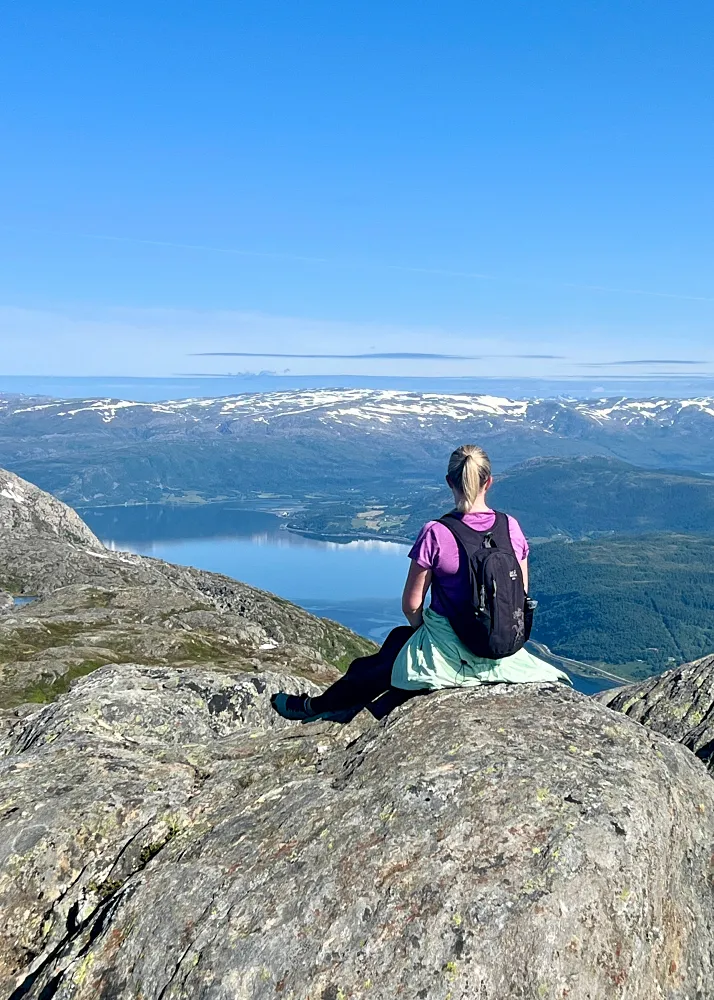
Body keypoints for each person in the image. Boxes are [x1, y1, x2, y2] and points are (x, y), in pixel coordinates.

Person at [271, 444, 569, 723]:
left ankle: (319, 707)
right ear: (489, 482)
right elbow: (522, 593)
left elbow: (411, 605)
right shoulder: (511, 527)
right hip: (506, 647)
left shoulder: (437, 533)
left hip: (453, 647)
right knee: (395, 648)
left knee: (385, 655)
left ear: (449, 482)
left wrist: (425, 634)